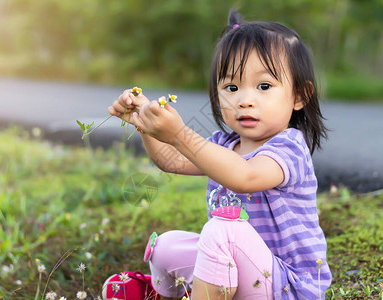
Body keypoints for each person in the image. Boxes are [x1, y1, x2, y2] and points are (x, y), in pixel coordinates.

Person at [103, 8, 331, 300]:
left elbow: (244, 176)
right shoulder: (224, 144)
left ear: (299, 96)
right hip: (237, 277)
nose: (245, 100)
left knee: (221, 230)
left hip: (283, 286)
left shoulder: (289, 147)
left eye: (264, 86)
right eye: (231, 87)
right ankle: (161, 292)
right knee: (168, 245)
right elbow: (170, 161)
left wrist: (179, 134)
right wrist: (146, 124)